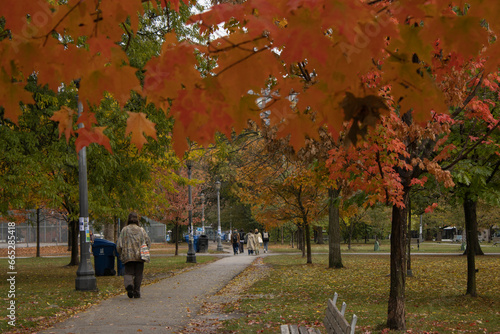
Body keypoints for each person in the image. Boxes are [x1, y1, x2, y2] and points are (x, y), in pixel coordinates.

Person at [116, 212, 150, 299]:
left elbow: (119, 245)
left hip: (128, 256)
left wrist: (121, 253)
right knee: (139, 274)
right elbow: (147, 242)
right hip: (140, 256)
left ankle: (129, 286)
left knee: (128, 273)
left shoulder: (124, 230)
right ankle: (137, 292)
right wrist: (146, 250)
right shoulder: (141, 230)